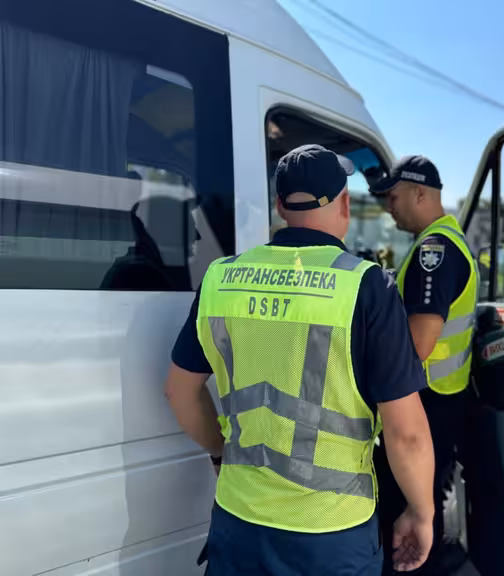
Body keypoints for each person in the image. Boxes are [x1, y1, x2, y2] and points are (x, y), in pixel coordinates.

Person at [164, 144, 435, 576]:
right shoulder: (366, 287)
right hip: (331, 534)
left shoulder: (221, 279)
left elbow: (179, 391)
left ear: (280, 205)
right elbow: (408, 436)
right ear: (344, 204)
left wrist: (221, 452)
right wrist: (421, 513)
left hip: (238, 522)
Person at [370, 155, 478, 574]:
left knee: (409, 516)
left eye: (393, 197)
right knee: (420, 509)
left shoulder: (436, 250)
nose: (388, 207)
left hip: (426, 406)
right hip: (439, 400)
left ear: (419, 193)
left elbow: (418, 344)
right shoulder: (441, 242)